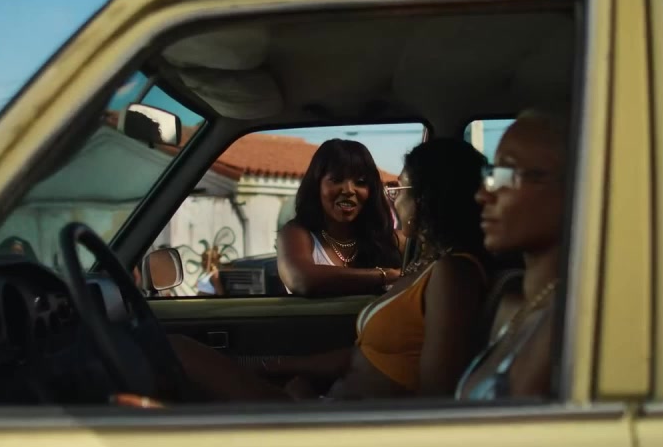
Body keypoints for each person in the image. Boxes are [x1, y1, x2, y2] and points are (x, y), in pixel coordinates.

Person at [170, 137, 493, 400]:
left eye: (401, 189)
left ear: (427, 198)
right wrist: (279, 366)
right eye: (336, 179)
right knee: (179, 349)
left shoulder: (452, 273)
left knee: (179, 352)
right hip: (329, 407)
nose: (393, 199)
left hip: (346, 426)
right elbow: (362, 355)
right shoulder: (426, 264)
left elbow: (437, 397)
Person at [456, 107, 571, 400]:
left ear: (574, 187)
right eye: (491, 174)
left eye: (506, 175)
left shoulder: (569, 319)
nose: (483, 194)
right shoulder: (515, 306)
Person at [277, 139, 404, 297]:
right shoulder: (296, 234)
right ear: (317, 185)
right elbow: (300, 279)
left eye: (360, 182)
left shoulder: (389, 240)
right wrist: (385, 275)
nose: (349, 190)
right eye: (336, 180)